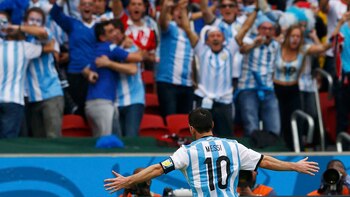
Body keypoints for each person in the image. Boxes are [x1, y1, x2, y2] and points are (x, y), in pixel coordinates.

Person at [104, 108, 319, 196]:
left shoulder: (186, 152)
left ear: (190, 128)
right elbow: (265, 161)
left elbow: (157, 169)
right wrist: (294, 165)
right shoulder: (234, 146)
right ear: (213, 124)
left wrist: (128, 180)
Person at [0, 11, 54, 138]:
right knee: (8, 141)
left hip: (12, 101)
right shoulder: (25, 47)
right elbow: (50, 46)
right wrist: (17, 27)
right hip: (13, 101)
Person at [50, 0, 97, 117]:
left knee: (93, 110)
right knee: (78, 112)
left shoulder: (100, 26)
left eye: (90, 4)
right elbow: (54, 14)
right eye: (84, 4)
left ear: (94, 8)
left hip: (94, 72)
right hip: (75, 73)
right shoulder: (73, 23)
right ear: (79, 7)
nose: (87, 6)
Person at [24, 7, 64, 138]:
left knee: (54, 140)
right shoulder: (21, 42)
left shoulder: (45, 34)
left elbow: (42, 33)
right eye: (31, 20)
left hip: (51, 95)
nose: (34, 23)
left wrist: (19, 27)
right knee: (39, 144)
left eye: (38, 21)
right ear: (25, 22)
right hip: (33, 98)